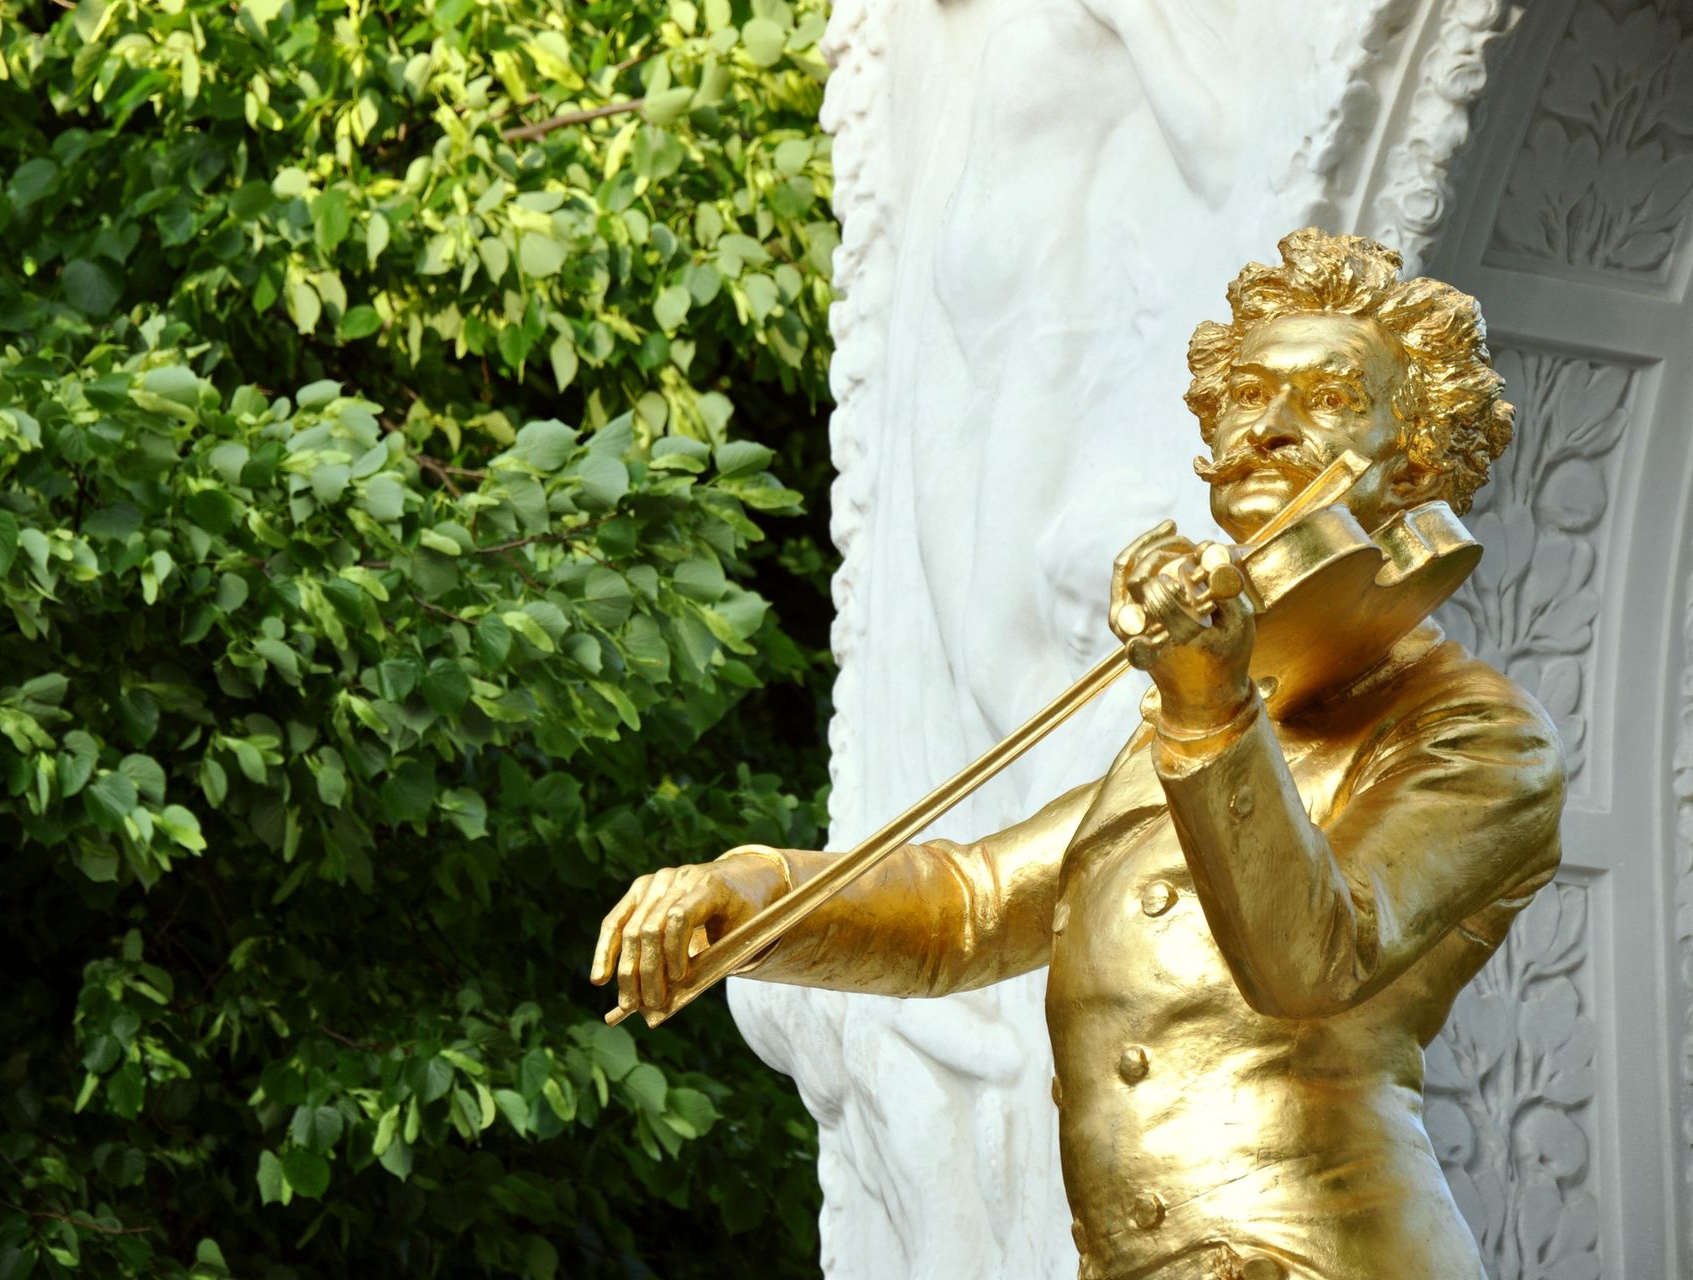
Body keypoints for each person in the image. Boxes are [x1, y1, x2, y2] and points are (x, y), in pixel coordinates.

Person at [591, 229, 1564, 1280]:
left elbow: (1313, 959)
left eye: (1327, 397)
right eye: (1243, 393)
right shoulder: (1221, 714)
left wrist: (1208, 703)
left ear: (1415, 454)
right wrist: (748, 894)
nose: (1267, 429)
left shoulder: (1471, 730)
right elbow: (969, 903)